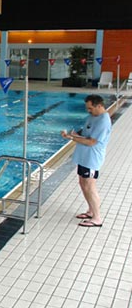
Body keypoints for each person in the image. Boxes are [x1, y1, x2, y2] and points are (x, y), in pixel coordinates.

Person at [61, 94, 111, 228]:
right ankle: (90, 211)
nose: (88, 111)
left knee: (90, 186)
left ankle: (97, 218)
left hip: (92, 159)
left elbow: (92, 142)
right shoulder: (93, 116)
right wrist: (72, 135)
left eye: (90, 108)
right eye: (87, 108)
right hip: (84, 157)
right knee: (83, 183)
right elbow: (85, 135)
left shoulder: (103, 121)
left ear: (99, 106)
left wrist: (73, 138)